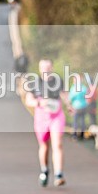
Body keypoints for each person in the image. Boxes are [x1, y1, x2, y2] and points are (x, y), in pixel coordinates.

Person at [25, 59, 69, 187]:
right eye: (43, 67)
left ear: (52, 68)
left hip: (56, 115)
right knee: (44, 146)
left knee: (57, 144)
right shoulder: (35, 83)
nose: (46, 70)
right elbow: (29, 100)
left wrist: (69, 105)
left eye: (48, 67)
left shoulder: (57, 80)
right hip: (42, 117)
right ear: (40, 69)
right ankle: (44, 171)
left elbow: (64, 95)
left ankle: (59, 175)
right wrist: (39, 103)